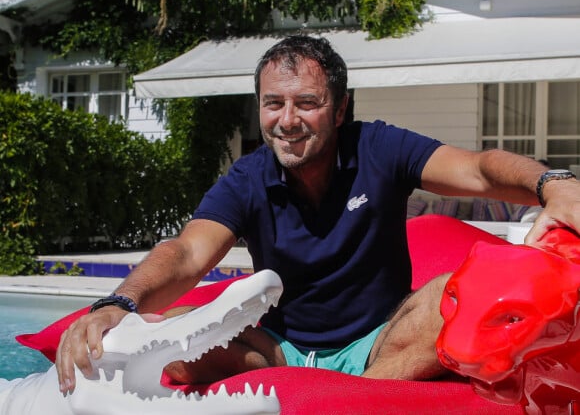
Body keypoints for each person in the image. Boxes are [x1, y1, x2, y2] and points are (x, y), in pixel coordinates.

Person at [56, 34, 580, 394]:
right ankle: (339, 394)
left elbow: (478, 170)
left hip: (382, 343)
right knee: (159, 336)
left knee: (450, 297)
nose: (286, 121)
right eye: (272, 104)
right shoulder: (248, 177)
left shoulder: (377, 147)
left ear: (340, 107)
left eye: (306, 102)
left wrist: (551, 184)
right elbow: (188, 252)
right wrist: (118, 303)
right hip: (277, 349)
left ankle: (347, 397)